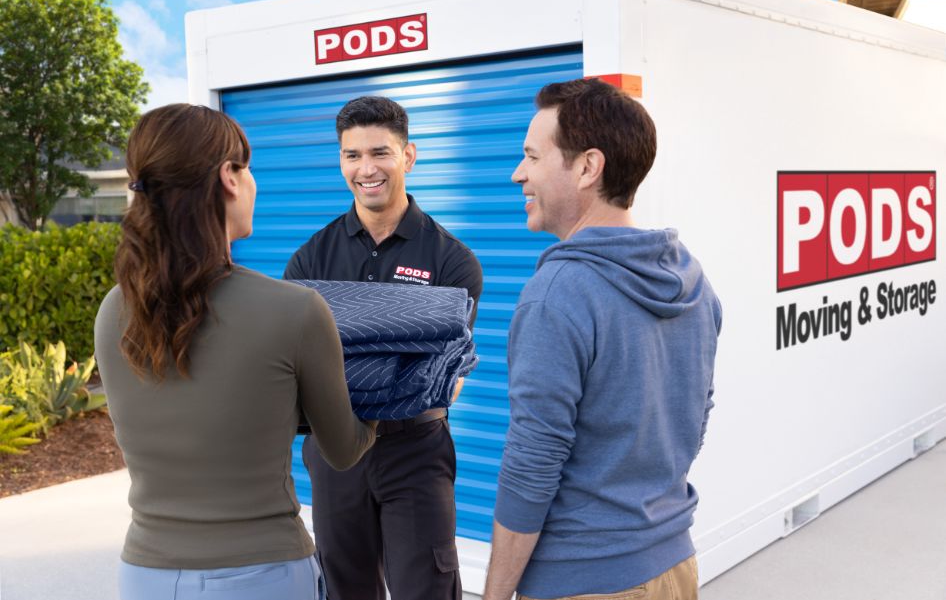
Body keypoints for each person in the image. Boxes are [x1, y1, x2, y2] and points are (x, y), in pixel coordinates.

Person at [95, 104, 376, 600]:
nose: (253, 185)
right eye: (248, 169)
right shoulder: (295, 310)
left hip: (145, 576)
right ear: (229, 176)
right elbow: (343, 449)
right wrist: (395, 384)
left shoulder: (115, 309)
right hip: (263, 574)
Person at [482, 79, 722, 600]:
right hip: (674, 565)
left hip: (583, 579)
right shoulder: (694, 281)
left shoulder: (558, 294)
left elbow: (532, 464)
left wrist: (497, 594)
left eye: (532, 156)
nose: (518, 173)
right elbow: (694, 417)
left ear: (588, 167)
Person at [283, 95, 483, 600]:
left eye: (380, 153)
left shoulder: (453, 263)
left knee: (427, 589)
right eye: (352, 155)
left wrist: (346, 360)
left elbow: (439, 384)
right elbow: (297, 376)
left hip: (416, 450)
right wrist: (399, 353)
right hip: (333, 454)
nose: (365, 169)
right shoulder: (310, 261)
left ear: (408, 156)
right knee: (345, 588)